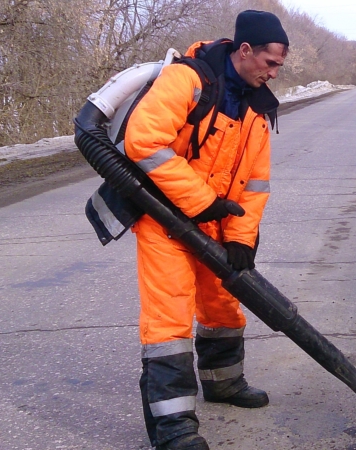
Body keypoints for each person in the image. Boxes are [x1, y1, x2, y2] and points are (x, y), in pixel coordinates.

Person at [123, 10, 289, 450]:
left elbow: (255, 185)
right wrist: (201, 201)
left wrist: (240, 236)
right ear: (245, 49)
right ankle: (174, 429)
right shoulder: (187, 80)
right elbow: (144, 140)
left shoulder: (256, 108)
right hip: (165, 222)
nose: (274, 73)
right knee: (169, 321)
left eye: (279, 67)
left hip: (216, 226)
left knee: (222, 307)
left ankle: (223, 382)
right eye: (270, 63)